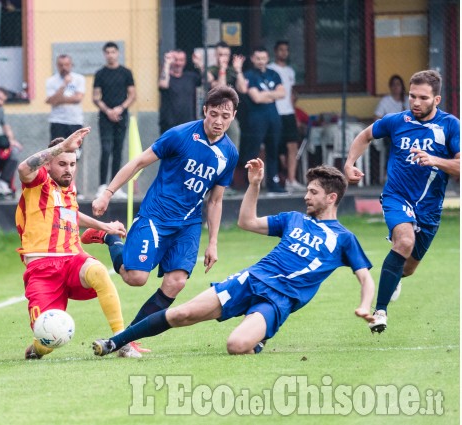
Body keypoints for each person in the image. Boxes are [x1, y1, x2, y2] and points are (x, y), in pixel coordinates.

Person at [92, 161, 375, 357]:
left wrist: (365, 306)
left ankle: (258, 339)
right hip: (250, 279)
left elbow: (365, 277)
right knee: (181, 314)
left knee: (236, 345)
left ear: (331, 198)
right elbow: (247, 221)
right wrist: (254, 185)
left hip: (278, 300)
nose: (306, 196)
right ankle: (114, 342)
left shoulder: (343, 238)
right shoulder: (293, 219)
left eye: (313, 192)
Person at [81, 85, 240, 353]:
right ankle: (109, 238)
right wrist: (107, 194)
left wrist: (213, 242)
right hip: (155, 216)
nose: (219, 121)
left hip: (188, 225)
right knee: (136, 278)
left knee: (176, 282)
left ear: (233, 116)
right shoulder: (180, 135)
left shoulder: (229, 153)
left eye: (225, 116)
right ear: (205, 110)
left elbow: (215, 200)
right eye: (214, 114)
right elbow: (138, 163)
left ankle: (123, 341)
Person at [344, 69, 460, 333]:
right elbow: (364, 136)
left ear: (437, 100)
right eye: (412, 96)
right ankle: (380, 312)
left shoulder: (451, 125)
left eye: (422, 97)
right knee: (404, 240)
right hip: (397, 196)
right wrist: (350, 163)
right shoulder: (396, 121)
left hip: (429, 208)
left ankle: (395, 277)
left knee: (406, 268)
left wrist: (435, 160)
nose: (416, 102)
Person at [15, 127, 140, 359]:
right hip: (42, 268)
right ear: (48, 164)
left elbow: (71, 214)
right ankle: (37, 349)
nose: (69, 170)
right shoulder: (37, 181)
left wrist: (106, 227)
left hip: (72, 259)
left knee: (99, 272)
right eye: (62, 164)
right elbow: (23, 168)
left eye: (72, 164)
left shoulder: (68, 187)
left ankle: (122, 341)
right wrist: (62, 147)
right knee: (48, 340)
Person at [237, 46, 286, 194]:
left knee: (273, 150)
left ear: (267, 58)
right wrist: (271, 94)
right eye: (258, 58)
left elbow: (282, 93)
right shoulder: (249, 75)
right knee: (253, 150)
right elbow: (256, 98)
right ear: (252, 59)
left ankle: (273, 182)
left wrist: (264, 94)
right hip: (256, 118)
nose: (261, 61)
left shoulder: (274, 73)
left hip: (273, 117)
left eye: (263, 58)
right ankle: (249, 184)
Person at [92, 42, 136, 200]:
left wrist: (120, 109)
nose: (110, 55)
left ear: (118, 53)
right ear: (105, 54)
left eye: (113, 52)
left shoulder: (126, 73)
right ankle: (102, 186)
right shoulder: (100, 74)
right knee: (106, 149)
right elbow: (96, 97)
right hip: (105, 117)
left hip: (121, 115)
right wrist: (108, 111)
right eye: (108, 52)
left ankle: (116, 187)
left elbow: (132, 95)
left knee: (118, 150)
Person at [267, 40, 306, 192]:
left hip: (289, 113)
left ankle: (291, 179)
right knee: (274, 147)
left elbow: (291, 95)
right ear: (275, 52)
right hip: (275, 112)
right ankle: (272, 180)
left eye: (286, 50)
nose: (284, 53)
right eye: (281, 50)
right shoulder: (270, 69)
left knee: (293, 146)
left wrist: (295, 113)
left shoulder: (290, 71)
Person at [203, 41, 246, 154]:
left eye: (226, 55)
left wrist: (238, 71)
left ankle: (231, 162)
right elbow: (221, 89)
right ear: (215, 55)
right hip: (213, 111)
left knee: (234, 132)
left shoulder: (232, 70)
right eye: (220, 54)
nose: (223, 57)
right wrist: (222, 69)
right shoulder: (210, 70)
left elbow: (243, 89)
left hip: (228, 112)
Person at [158, 49, 202, 134]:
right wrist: (166, 64)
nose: (178, 63)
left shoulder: (190, 77)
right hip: (169, 125)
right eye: (176, 60)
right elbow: (163, 85)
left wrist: (199, 64)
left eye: (181, 60)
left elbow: (208, 81)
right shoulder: (167, 78)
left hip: (188, 124)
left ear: (185, 61)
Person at [45, 54, 85, 146]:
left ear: (71, 65)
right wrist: (64, 84)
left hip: (75, 120)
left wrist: (58, 99)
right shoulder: (51, 80)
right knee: (57, 151)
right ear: (57, 66)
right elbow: (52, 101)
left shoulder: (79, 79)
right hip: (57, 121)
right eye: (61, 65)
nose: (64, 67)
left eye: (66, 64)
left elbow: (78, 98)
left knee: (75, 151)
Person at [0, 87, 23, 198]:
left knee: (14, 151)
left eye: (1, 99)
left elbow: (5, 126)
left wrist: (12, 141)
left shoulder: (0, 110)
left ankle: (3, 182)